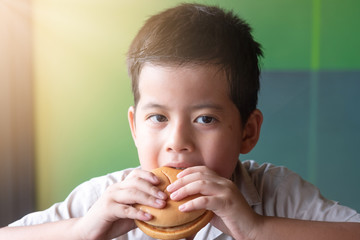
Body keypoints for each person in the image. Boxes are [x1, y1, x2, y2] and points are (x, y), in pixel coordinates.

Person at [1, 3, 359, 240]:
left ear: (247, 132)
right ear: (135, 128)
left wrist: (257, 229)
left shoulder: (276, 193)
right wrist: (85, 229)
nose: (178, 141)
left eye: (205, 118)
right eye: (157, 117)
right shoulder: (105, 200)